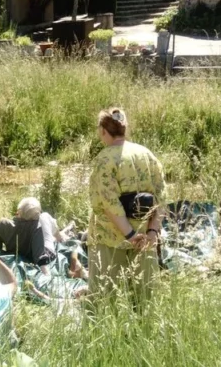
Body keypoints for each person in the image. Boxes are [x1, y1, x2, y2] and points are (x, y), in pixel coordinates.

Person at [87, 108, 166, 305]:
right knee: (145, 301)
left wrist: (130, 235)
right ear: (124, 128)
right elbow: (161, 197)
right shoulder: (146, 154)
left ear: (103, 130)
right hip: (145, 238)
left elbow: (109, 203)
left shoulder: (105, 159)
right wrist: (153, 232)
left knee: (107, 301)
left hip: (111, 239)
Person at [0, 197, 57, 275]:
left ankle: (61, 234)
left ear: (18, 212)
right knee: (46, 218)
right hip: (39, 257)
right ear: (36, 217)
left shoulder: (2, 224)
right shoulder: (37, 227)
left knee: (52, 234)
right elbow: (40, 260)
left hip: (13, 261)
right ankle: (62, 235)